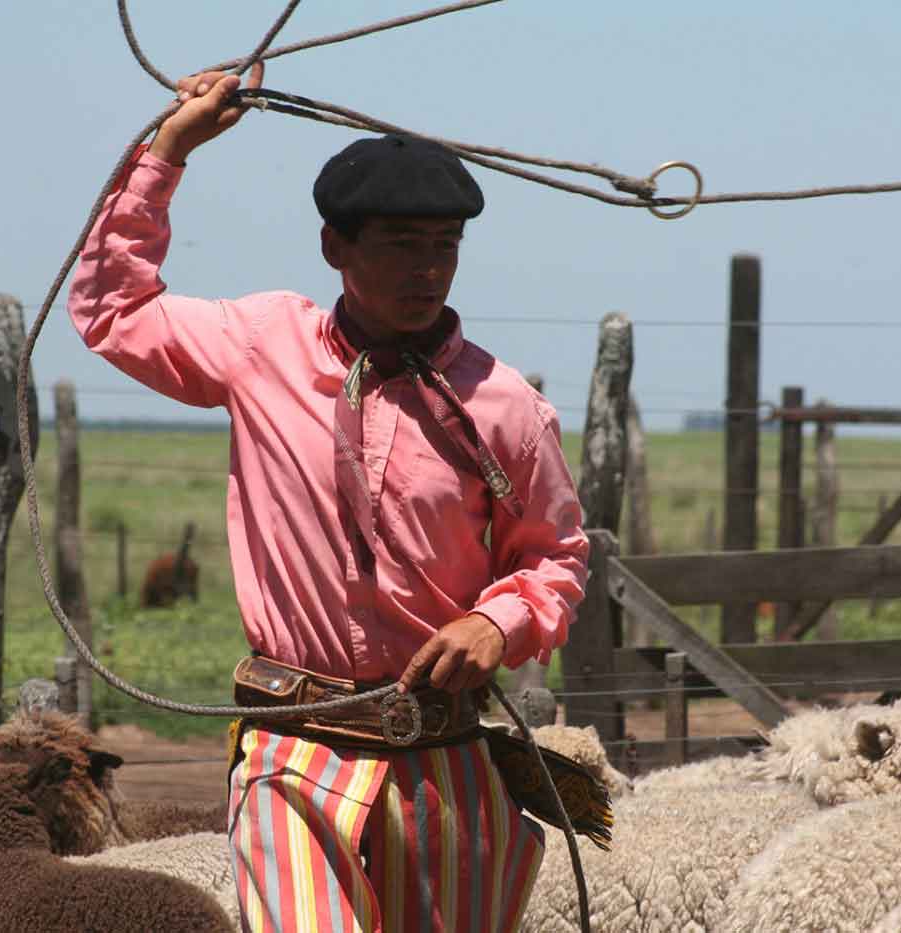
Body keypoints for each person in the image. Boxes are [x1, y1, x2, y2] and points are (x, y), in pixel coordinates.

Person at [68, 62, 589, 933]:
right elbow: (111, 307)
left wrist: (496, 622)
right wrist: (169, 148)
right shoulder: (259, 344)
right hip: (293, 752)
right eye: (400, 243)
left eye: (445, 245)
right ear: (336, 247)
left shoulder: (505, 406)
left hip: (447, 764)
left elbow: (556, 556)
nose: (429, 269)